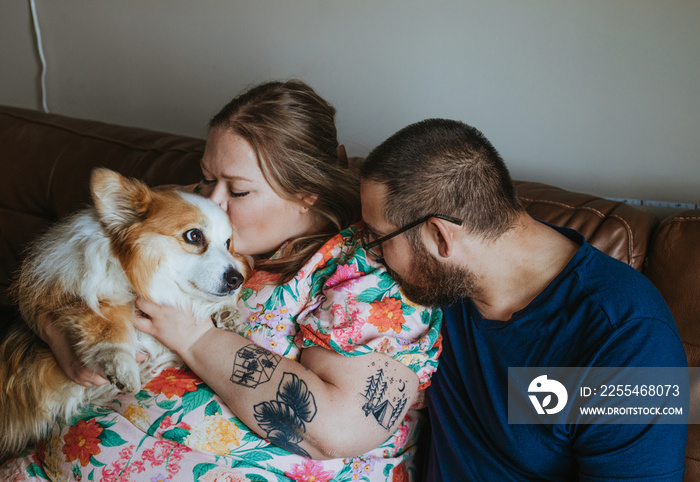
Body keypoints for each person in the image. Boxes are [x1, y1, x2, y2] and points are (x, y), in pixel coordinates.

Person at [0, 81, 441, 481]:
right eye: (209, 177)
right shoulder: (190, 208)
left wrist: (194, 338)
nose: (212, 201)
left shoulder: (364, 275)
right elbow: (46, 285)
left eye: (238, 189)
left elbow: (336, 431)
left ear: (307, 191)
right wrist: (61, 337)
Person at [358, 118, 688, 481]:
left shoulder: (629, 341)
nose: (372, 254)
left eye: (377, 238)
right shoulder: (445, 288)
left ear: (440, 237)